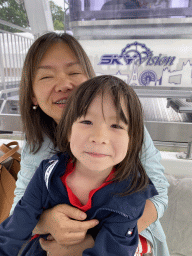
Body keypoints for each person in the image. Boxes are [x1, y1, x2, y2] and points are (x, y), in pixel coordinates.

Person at [9, 32, 169, 256]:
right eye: (46, 77)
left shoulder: (124, 128)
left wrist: (95, 242)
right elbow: (19, 210)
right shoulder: (36, 146)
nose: (64, 84)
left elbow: (158, 194)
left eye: (74, 72)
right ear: (33, 96)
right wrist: (47, 222)